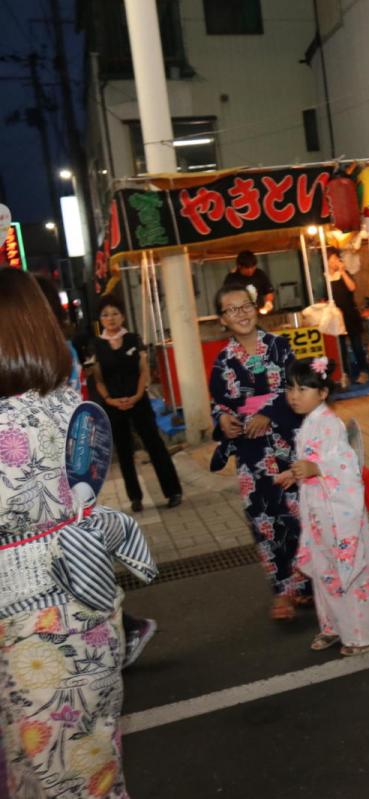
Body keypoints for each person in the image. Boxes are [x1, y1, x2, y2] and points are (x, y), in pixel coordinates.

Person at [1, 268, 157, 797]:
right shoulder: (70, 404)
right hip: (86, 606)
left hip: (29, 629)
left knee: (49, 770)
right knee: (89, 763)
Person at [209, 284, 311, 620]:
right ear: (222, 319)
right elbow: (219, 403)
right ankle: (282, 591)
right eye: (231, 309)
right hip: (252, 456)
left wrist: (269, 413)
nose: (241, 313)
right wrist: (223, 419)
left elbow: (300, 389)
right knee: (265, 522)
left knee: (299, 516)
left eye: (246, 305)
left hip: (288, 446)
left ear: (257, 308)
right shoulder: (222, 362)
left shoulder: (281, 347)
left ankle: (308, 583)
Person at [276, 357, 369, 657]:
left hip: (339, 514)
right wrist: (295, 472)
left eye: (303, 389)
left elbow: (347, 465)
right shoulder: (311, 422)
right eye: (290, 388)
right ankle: (335, 626)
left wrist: (316, 468)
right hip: (320, 512)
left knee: (350, 573)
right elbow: (313, 464)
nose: (294, 395)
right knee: (326, 572)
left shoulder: (330, 424)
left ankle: (367, 636)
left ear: (323, 393)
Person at [90, 295, 183, 513]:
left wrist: (137, 395)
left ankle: (173, 491)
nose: (111, 318)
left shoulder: (133, 339)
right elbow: (99, 379)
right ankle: (135, 498)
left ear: (122, 316)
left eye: (115, 313)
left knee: (155, 445)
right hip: (113, 406)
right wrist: (110, 400)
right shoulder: (96, 345)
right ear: (100, 319)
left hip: (138, 401)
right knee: (124, 451)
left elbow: (144, 371)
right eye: (105, 315)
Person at [327, 248, 369, 387]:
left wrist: (343, 271)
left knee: (357, 345)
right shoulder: (325, 277)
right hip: (335, 318)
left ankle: (364, 372)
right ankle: (344, 374)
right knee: (340, 348)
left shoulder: (345, 274)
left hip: (350, 314)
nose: (334, 261)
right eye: (331, 259)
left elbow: (352, 288)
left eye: (336, 258)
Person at [223, 250, 276, 314]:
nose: (250, 270)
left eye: (252, 267)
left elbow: (268, 291)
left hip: (259, 313)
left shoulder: (260, 274)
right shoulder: (231, 278)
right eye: (247, 268)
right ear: (239, 266)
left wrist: (268, 302)